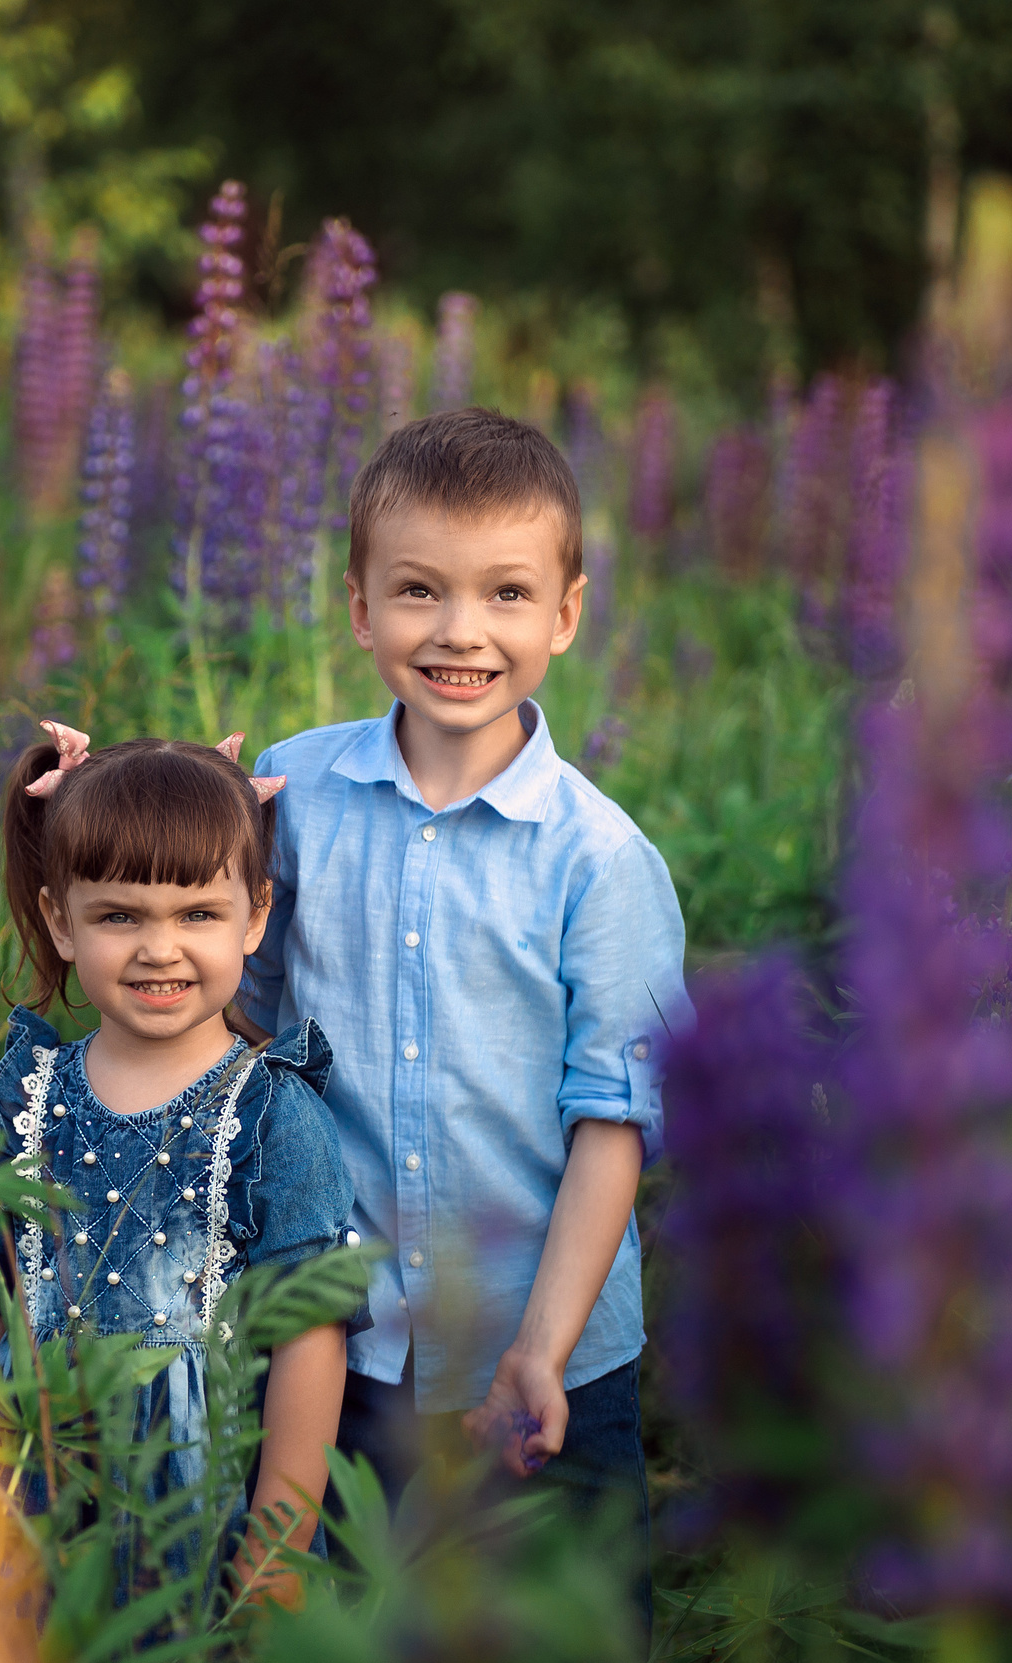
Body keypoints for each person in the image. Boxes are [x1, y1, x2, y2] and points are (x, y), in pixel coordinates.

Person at [240, 407, 692, 1590]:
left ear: (565, 613)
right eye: (418, 591)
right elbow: (222, 999)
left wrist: (537, 1351)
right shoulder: (297, 795)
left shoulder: (599, 860)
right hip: (337, 1357)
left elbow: (614, 1124)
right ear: (358, 607)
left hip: (544, 1363)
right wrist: (86, 815)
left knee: (562, 1658)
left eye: (503, 594)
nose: (459, 631)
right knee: (345, 1651)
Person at [0, 721, 364, 1605]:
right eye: (119, 915)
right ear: (60, 920)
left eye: (198, 913)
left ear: (256, 917)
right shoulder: (28, 1095)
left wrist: (277, 1554)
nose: (159, 947)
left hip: (193, 1525)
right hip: (25, 1514)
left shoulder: (273, 1113)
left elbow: (311, 1348)